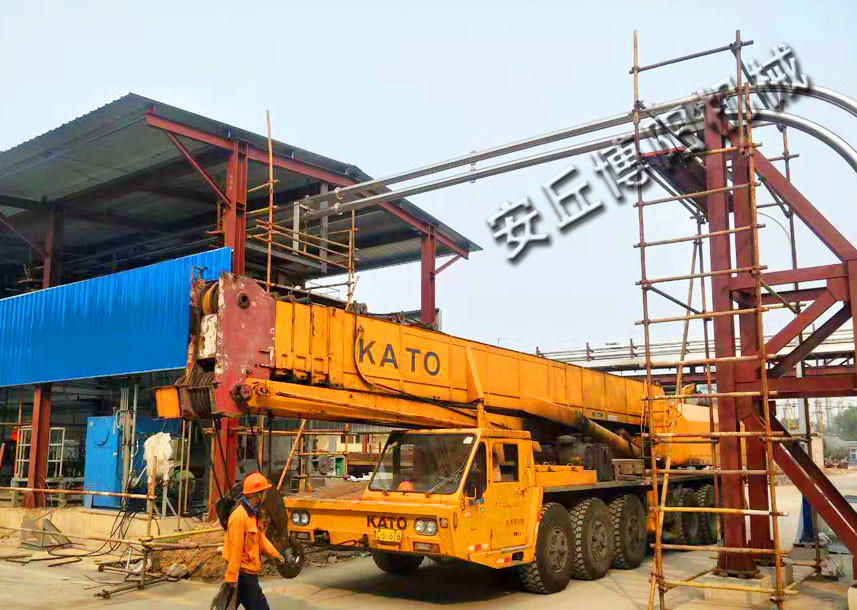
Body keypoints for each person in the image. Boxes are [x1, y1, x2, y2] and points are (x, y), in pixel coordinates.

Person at [222, 473, 285, 610]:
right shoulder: (239, 517)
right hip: (243, 575)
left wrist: (275, 554)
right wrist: (232, 577)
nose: (266, 496)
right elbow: (235, 549)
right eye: (265, 492)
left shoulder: (252, 515)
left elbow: (259, 538)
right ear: (258, 494)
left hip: (247, 574)